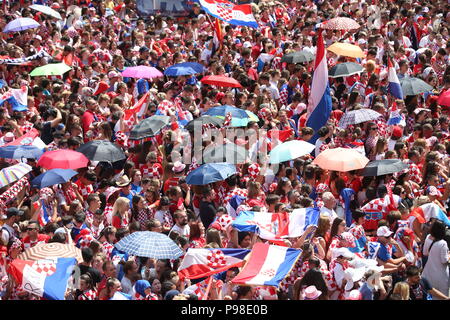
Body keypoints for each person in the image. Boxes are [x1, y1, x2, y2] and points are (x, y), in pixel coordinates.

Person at [422, 220, 450, 298]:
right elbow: (444, 260)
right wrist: (448, 255)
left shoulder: (428, 238)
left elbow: (425, 253)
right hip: (441, 277)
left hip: (428, 274)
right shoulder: (443, 243)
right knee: (443, 297)